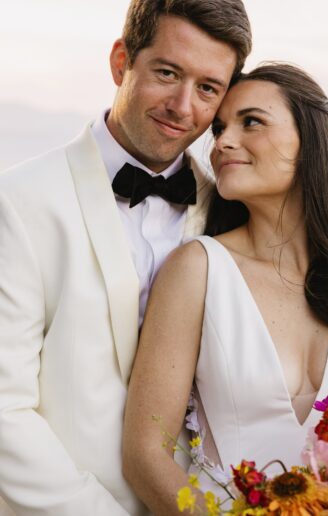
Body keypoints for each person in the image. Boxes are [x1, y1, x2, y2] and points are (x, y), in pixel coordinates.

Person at [0, 1, 252, 515]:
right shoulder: (18, 201)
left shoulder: (232, 212)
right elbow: (5, 409)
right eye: (167, 73)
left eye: (208, 88)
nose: (183, 106)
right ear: (121, 62)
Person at [122, 63, 328, 514]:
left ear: (310, 140)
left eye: (251, 121)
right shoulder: (197, 270)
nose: (223, 142)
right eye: (219, 128)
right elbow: (145, 455)